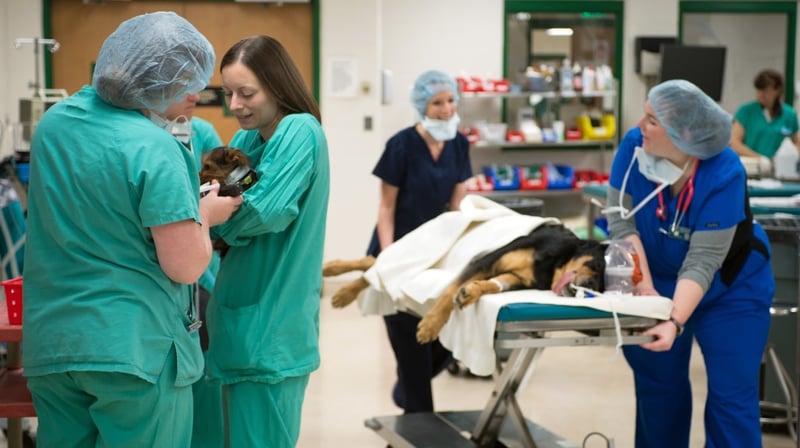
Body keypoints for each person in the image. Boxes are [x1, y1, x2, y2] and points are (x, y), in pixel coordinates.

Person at [21, 12, 242, 448]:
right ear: (157, 82)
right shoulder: (156, 148)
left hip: (55, 344)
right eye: (185, 82)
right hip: (133, 350)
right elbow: (184, 266)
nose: (195, 93)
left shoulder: (54, 125)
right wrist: (206, 217)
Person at [604, 79, 774, 447]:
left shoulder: (724, 171)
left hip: (732, 288)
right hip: (658, 277)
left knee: (732, 396)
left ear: (683, 135)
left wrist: (674, 320)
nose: (638, 126)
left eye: (651, 120)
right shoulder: (634, 148)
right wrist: (643, 289)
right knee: (658, 389)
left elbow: (703, 259)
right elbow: (620, 221)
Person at [205, 35, 329, 447]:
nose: (234, 105)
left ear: (277, 86)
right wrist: (224, 211)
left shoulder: (300, 130)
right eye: (228, 93)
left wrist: (217, 214)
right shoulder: (247, 141)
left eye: (246, 93)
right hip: (240, 325)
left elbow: (261, 213)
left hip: (274, 329)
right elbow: (231, 204)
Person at [366, 70, 472, 413]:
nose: (446, 108)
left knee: (447, 337)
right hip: (397, 250)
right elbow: (386, 208)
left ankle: (408, 389)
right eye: (437, 102)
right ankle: (418, 418)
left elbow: (458, 207)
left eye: (451, 100)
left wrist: (463, 251)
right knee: (410, 343)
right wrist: (388, 257)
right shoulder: (402, 144)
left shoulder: (459, 143)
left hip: (435, 254)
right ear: (421, 105)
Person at [151, 91, 227, 448]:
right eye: (181, 85)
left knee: (203, 371)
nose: (194, 94)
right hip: (158, 282)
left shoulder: (204, 134)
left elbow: (218, 188)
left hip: (200, 272)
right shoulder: (141, 140)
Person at [730, 69, 800, 172]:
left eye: (765, 91)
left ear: (777, 90)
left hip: (780, 171)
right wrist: (760, 158)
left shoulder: (789, 115)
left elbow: (796, 143)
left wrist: (788, 158)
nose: (760, 95)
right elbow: (734, 143)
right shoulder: (746, 112)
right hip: (751, 169)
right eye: (758, 90)